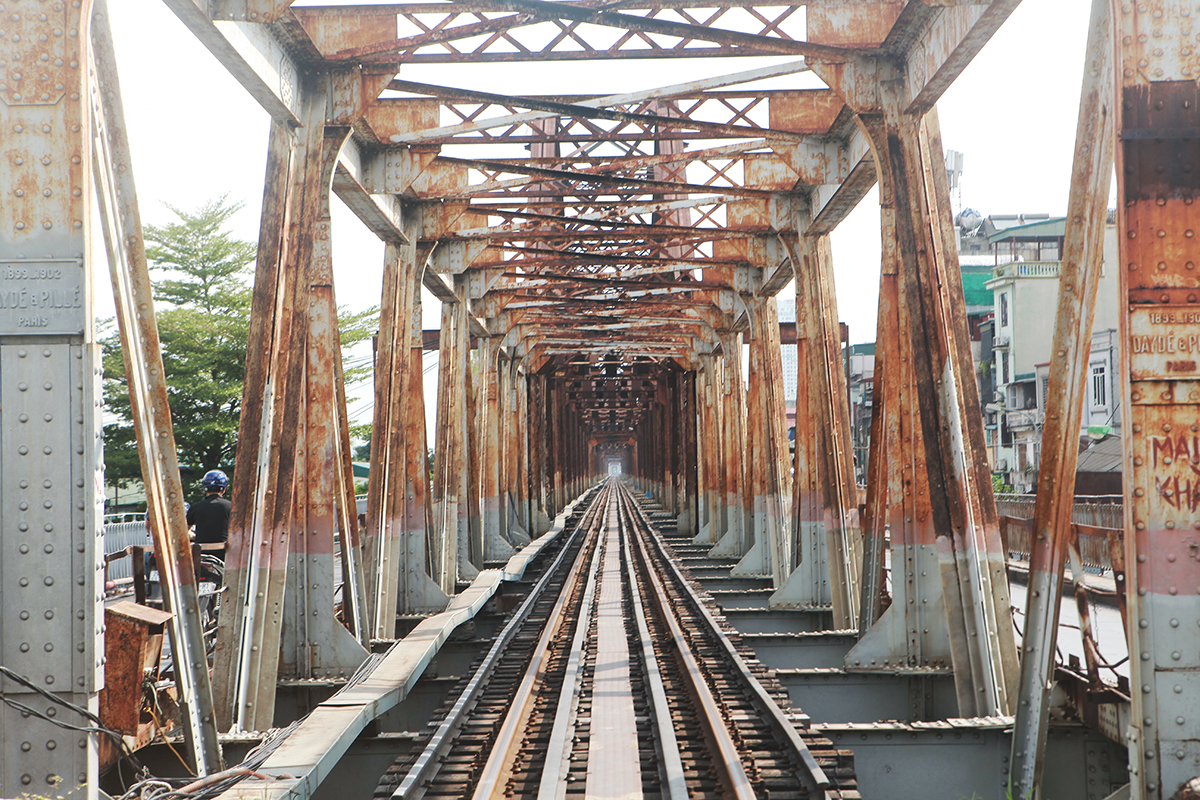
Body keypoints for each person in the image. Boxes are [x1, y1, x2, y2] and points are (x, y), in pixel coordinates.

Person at [187, 469, 232, 558]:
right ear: (224, 489)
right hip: (224, 555)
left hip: (201, 555)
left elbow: (183, 531)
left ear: (204, 489)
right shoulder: (231, 507)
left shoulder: (196, 508)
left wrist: (193, 536)